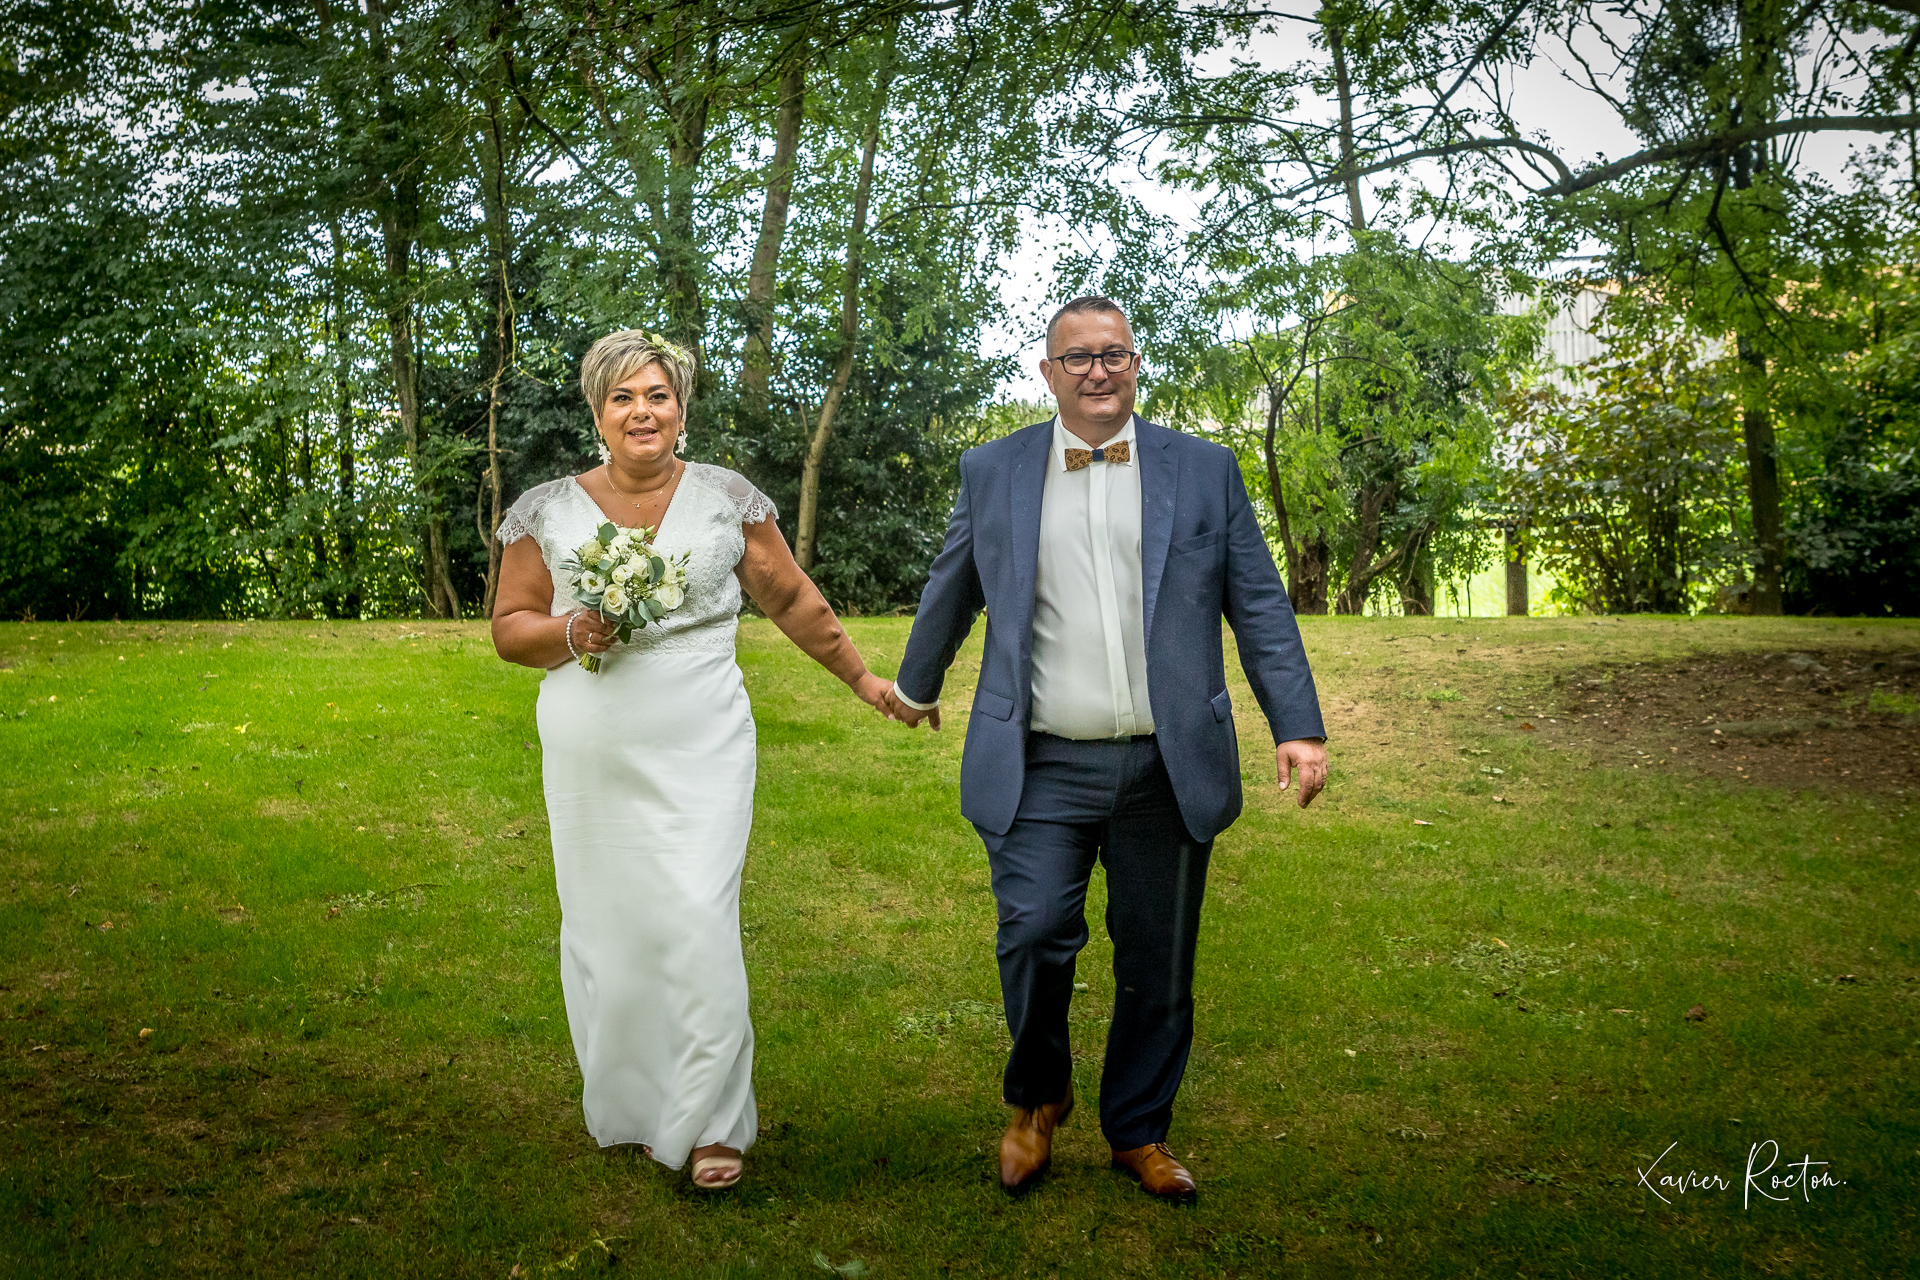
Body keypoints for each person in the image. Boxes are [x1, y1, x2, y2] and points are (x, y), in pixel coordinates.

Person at [882, 297, 1329, 1200]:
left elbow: (1258, 602)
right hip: (1040, 759)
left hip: (1169, 763)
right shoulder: (993, 469)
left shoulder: (1203, 469)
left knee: (1157, 958)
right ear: (1048, 372)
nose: (1097, 371)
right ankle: (1037, 1099)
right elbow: (954, 583)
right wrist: (918, 685)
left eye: (1113, 354)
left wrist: (1298, 724)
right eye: (1078, 357)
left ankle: (1138, 1130)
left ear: (1135, 364)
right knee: (1035, 931)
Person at [491, 330, 894, 1190]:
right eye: (623, 398)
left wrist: (863, 680)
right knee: (610, 925)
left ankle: (712, 1123)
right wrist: (571, 629)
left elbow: (791, 597)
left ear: (681, 409)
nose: (642, 412)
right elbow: (510, 629)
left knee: (698, 915)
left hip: (702, 734)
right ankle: (641, 1106)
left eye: (658, 396)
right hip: (592, 741)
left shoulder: (726, 499)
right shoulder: (545, 511)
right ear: (597, 412)